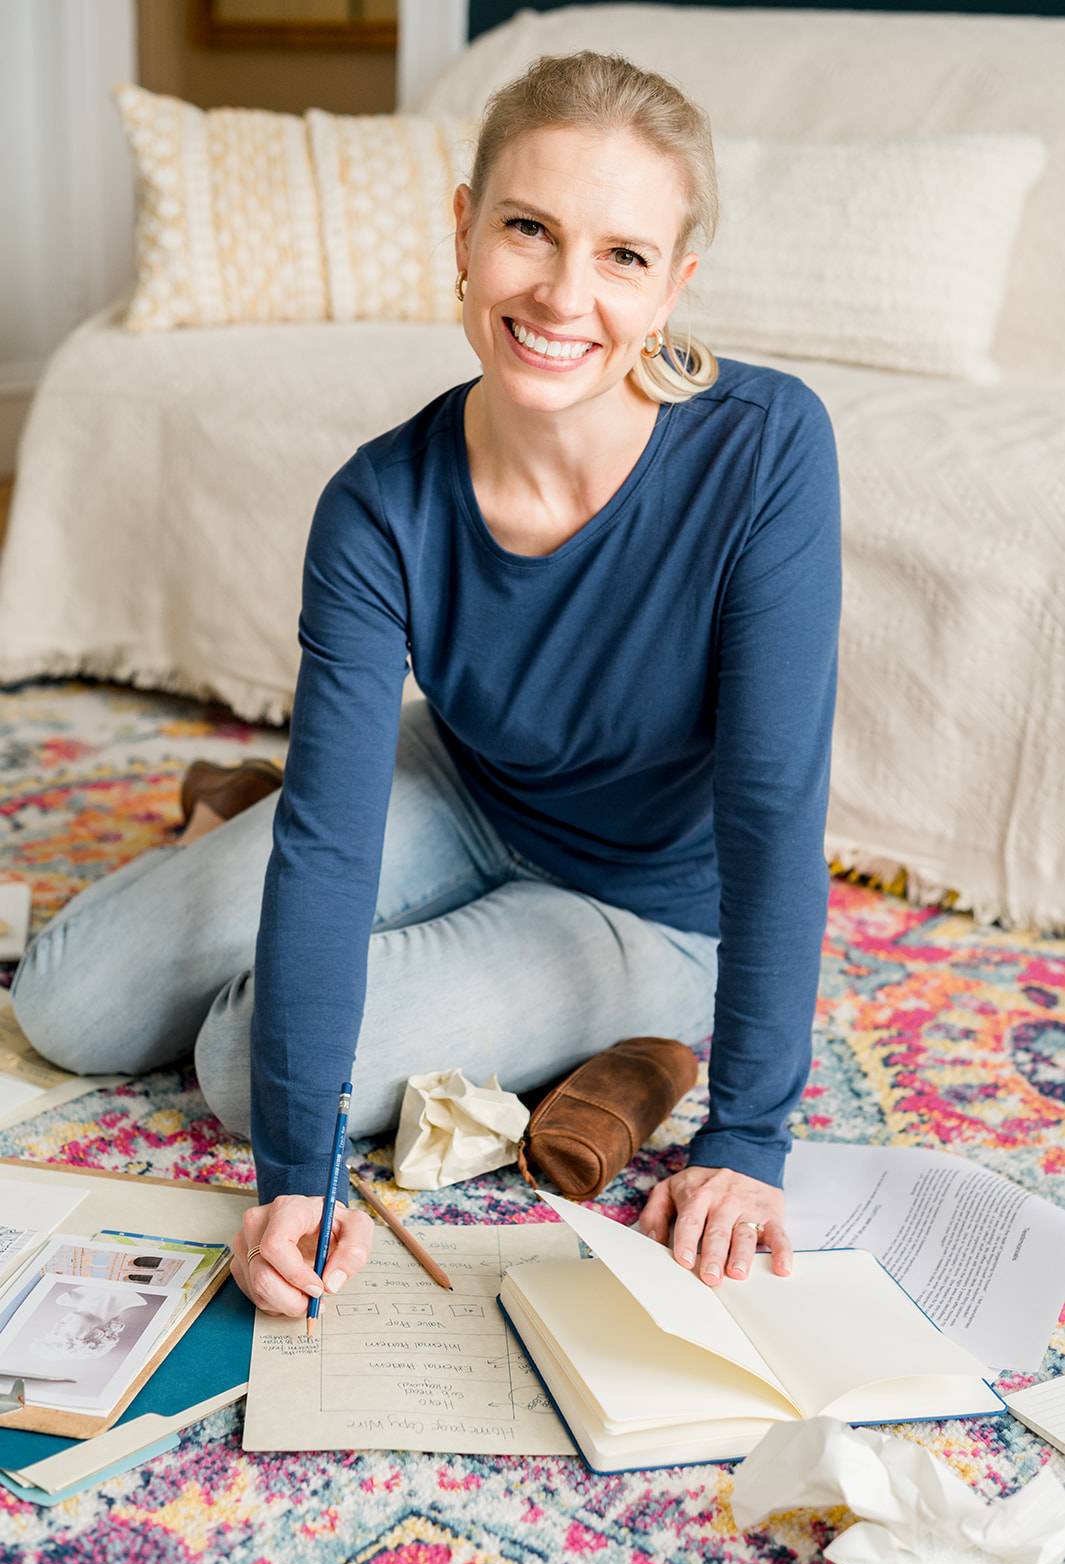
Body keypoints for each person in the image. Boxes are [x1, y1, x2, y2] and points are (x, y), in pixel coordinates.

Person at [10, 50, 841, 1319]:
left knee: (242, 1063)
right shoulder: (378, 502)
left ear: (675, 286)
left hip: (650, 903)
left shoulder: (771, 449)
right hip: (465, 773)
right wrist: (300, 1177)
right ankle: (240, 818)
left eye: (622, 255)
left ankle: (640, 1048)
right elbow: (334, 845)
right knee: (68, 998)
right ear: (464, 230)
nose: (565, 293)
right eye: (528, 228)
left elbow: (775, 803)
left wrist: (751, 1137)